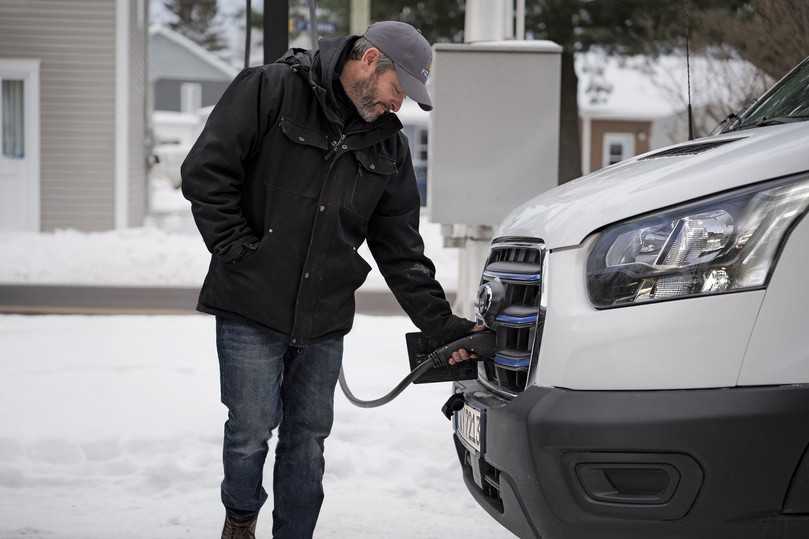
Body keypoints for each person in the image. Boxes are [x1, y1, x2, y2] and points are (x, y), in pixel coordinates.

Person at [181, 20, 483, 539]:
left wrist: (441, 327)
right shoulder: (270, 89)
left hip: (323, 317)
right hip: (250, 304)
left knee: (308, 438)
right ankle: (240, 518)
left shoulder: (389, 146)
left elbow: (401, 249)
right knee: (251, 432)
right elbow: (206, 173)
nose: (398, 106)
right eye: (397, 89)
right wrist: (238, 252)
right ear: (370, 61)